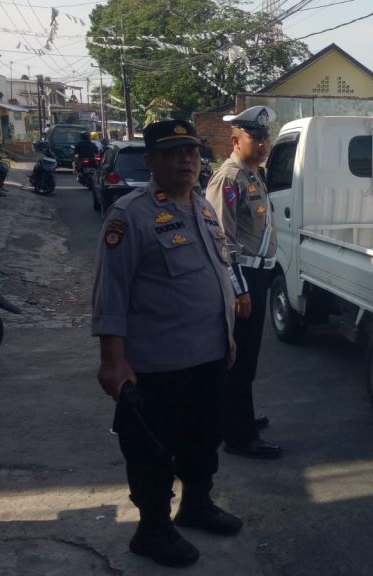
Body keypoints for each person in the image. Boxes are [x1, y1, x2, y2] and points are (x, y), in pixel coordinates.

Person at [92, 120, 242, 568]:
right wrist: (112, 362)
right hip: (156, 365)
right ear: (152, 159)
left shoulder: (202, 206)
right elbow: (110, 294)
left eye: (192, 152)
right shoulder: (129, 215)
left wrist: (228, 336)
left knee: (203, 439)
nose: (187, 161)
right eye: (175, 153)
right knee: (152, 450)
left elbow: (218, 274)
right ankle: (152, 530)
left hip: (209, 355)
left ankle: (195, 504)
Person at [205, 105, 282, 460]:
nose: (264, 143)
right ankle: (239, 436)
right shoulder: (229, 179)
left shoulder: (253, 175)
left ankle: (241, 418)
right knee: (239, 358)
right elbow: (222, 240)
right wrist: (238, 288)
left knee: (248, 358)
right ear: (235, 140)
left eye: (266, 136)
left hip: (259, 273)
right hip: (243, 277)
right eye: (256, 137)